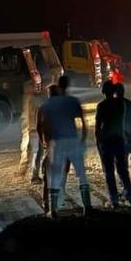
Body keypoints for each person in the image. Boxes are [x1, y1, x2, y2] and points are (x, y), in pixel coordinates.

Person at [38, 75, 92, 218]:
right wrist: (83, 138)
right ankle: (88, 206)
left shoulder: (48, 104)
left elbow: (44, 125)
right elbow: (82, 121)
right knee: (81, 174)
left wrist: (47, 141)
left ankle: (53, 209)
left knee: (55, 175)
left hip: (57, 141)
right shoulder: (73, 101)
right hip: (73, 139)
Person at [96, 82, 131, 207]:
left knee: (109, 171)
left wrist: (98, 140)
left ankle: (114, 199)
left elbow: (98, 126)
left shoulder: (102, 106)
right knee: (122, 170)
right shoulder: (121, 104)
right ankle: (129, 196)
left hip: (106, 140)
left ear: (104, 92)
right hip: (119, 139)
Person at [19, 80, 44, 182]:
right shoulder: (32, 100)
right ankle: (33, 174)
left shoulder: (28, 99)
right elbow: (31, 116)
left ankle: (29, 171)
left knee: (35, 152)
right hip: (34, 129)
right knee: (35, 152)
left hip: (33, 129)